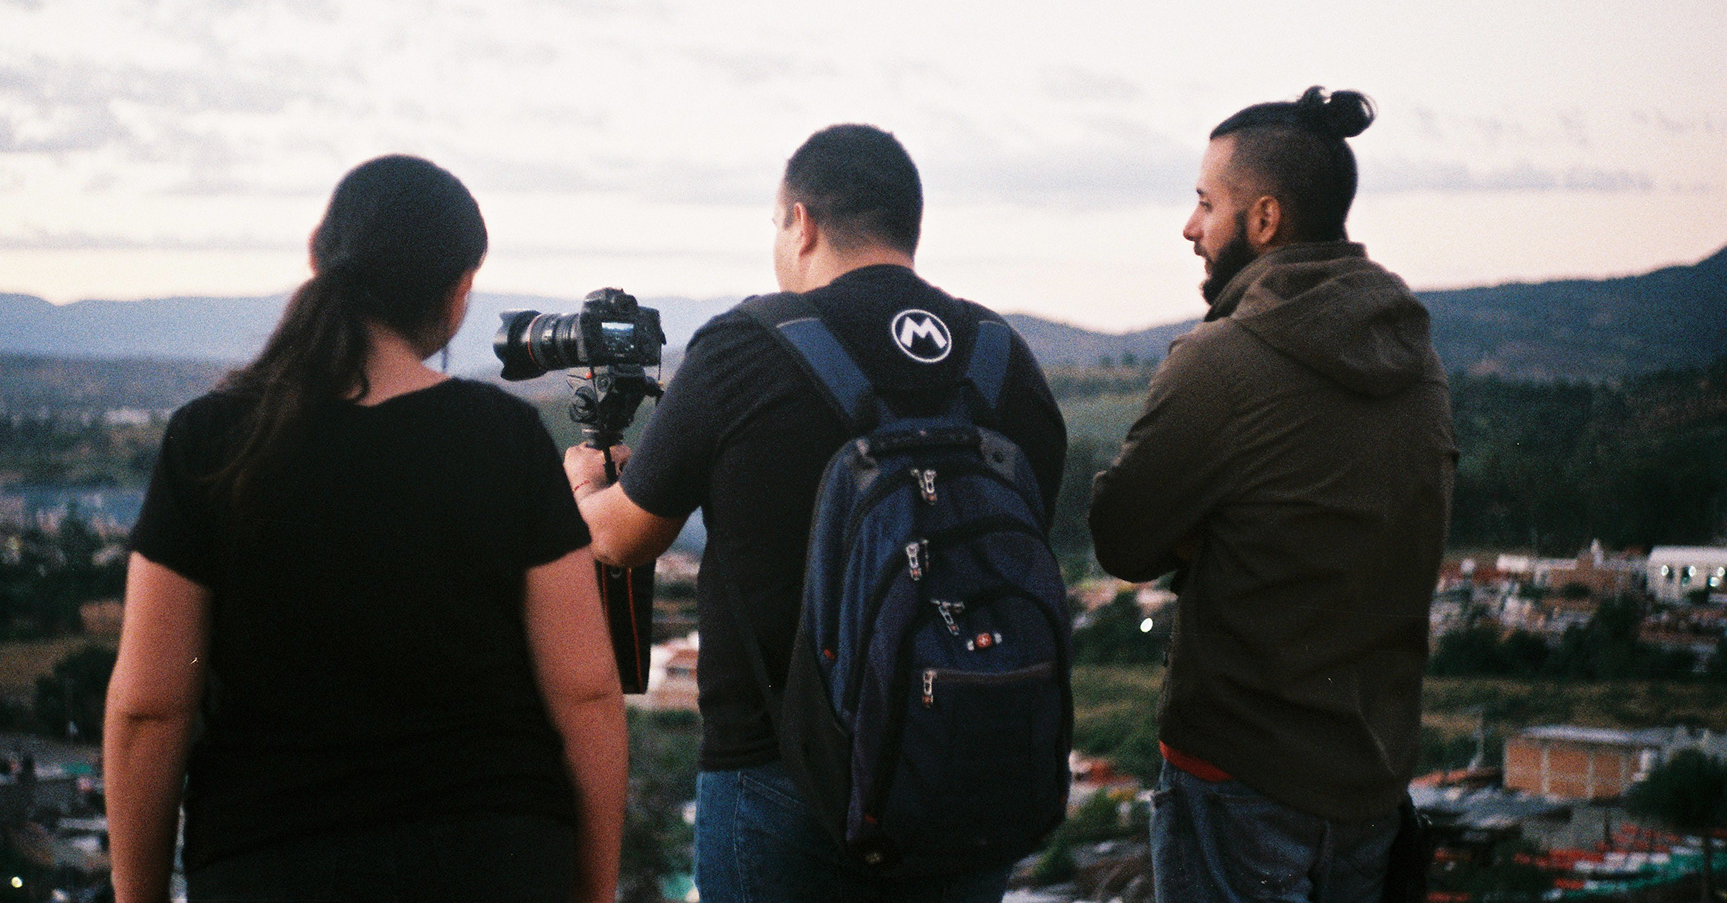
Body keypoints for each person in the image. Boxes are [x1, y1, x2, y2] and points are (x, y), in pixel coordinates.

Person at [564, 124, 1067, 903]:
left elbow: (623, 539)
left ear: (801, 220)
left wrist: (584, 484)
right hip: (968, 765)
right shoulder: (1004, 358)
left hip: (780, 777)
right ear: (910, 223)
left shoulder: (744, 348)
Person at [104, 155, 626, 903]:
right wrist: (594, 893)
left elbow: (150, 708)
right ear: (459, 292)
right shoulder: (503, 439)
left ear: (319, 260)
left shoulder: (211, 441)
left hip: (272, 862)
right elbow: (586, 694)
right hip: (495, 858)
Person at [1088, 88, 1455, 903]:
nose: (1190, 228)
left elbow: (1119, 538)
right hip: (1372, 783)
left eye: (1204, 203)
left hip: (1236, 780)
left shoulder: (1221, 363)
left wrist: (1206, 531)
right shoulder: (1419, 366)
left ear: (1263, 221)